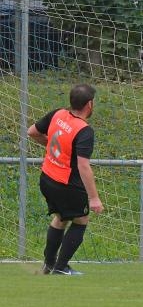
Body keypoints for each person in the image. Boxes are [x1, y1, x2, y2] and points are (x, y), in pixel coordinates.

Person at [27, 84, 104, 275]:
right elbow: (83, 166)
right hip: (66, 183)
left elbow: (32, 132)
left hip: (47, 177)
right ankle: (60, 267)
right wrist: (94, 198)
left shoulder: (58, 114)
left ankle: (49, 264)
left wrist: (51, 147)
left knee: (60, 218)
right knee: (81, 219)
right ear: (89, 104)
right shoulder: (84, 130)